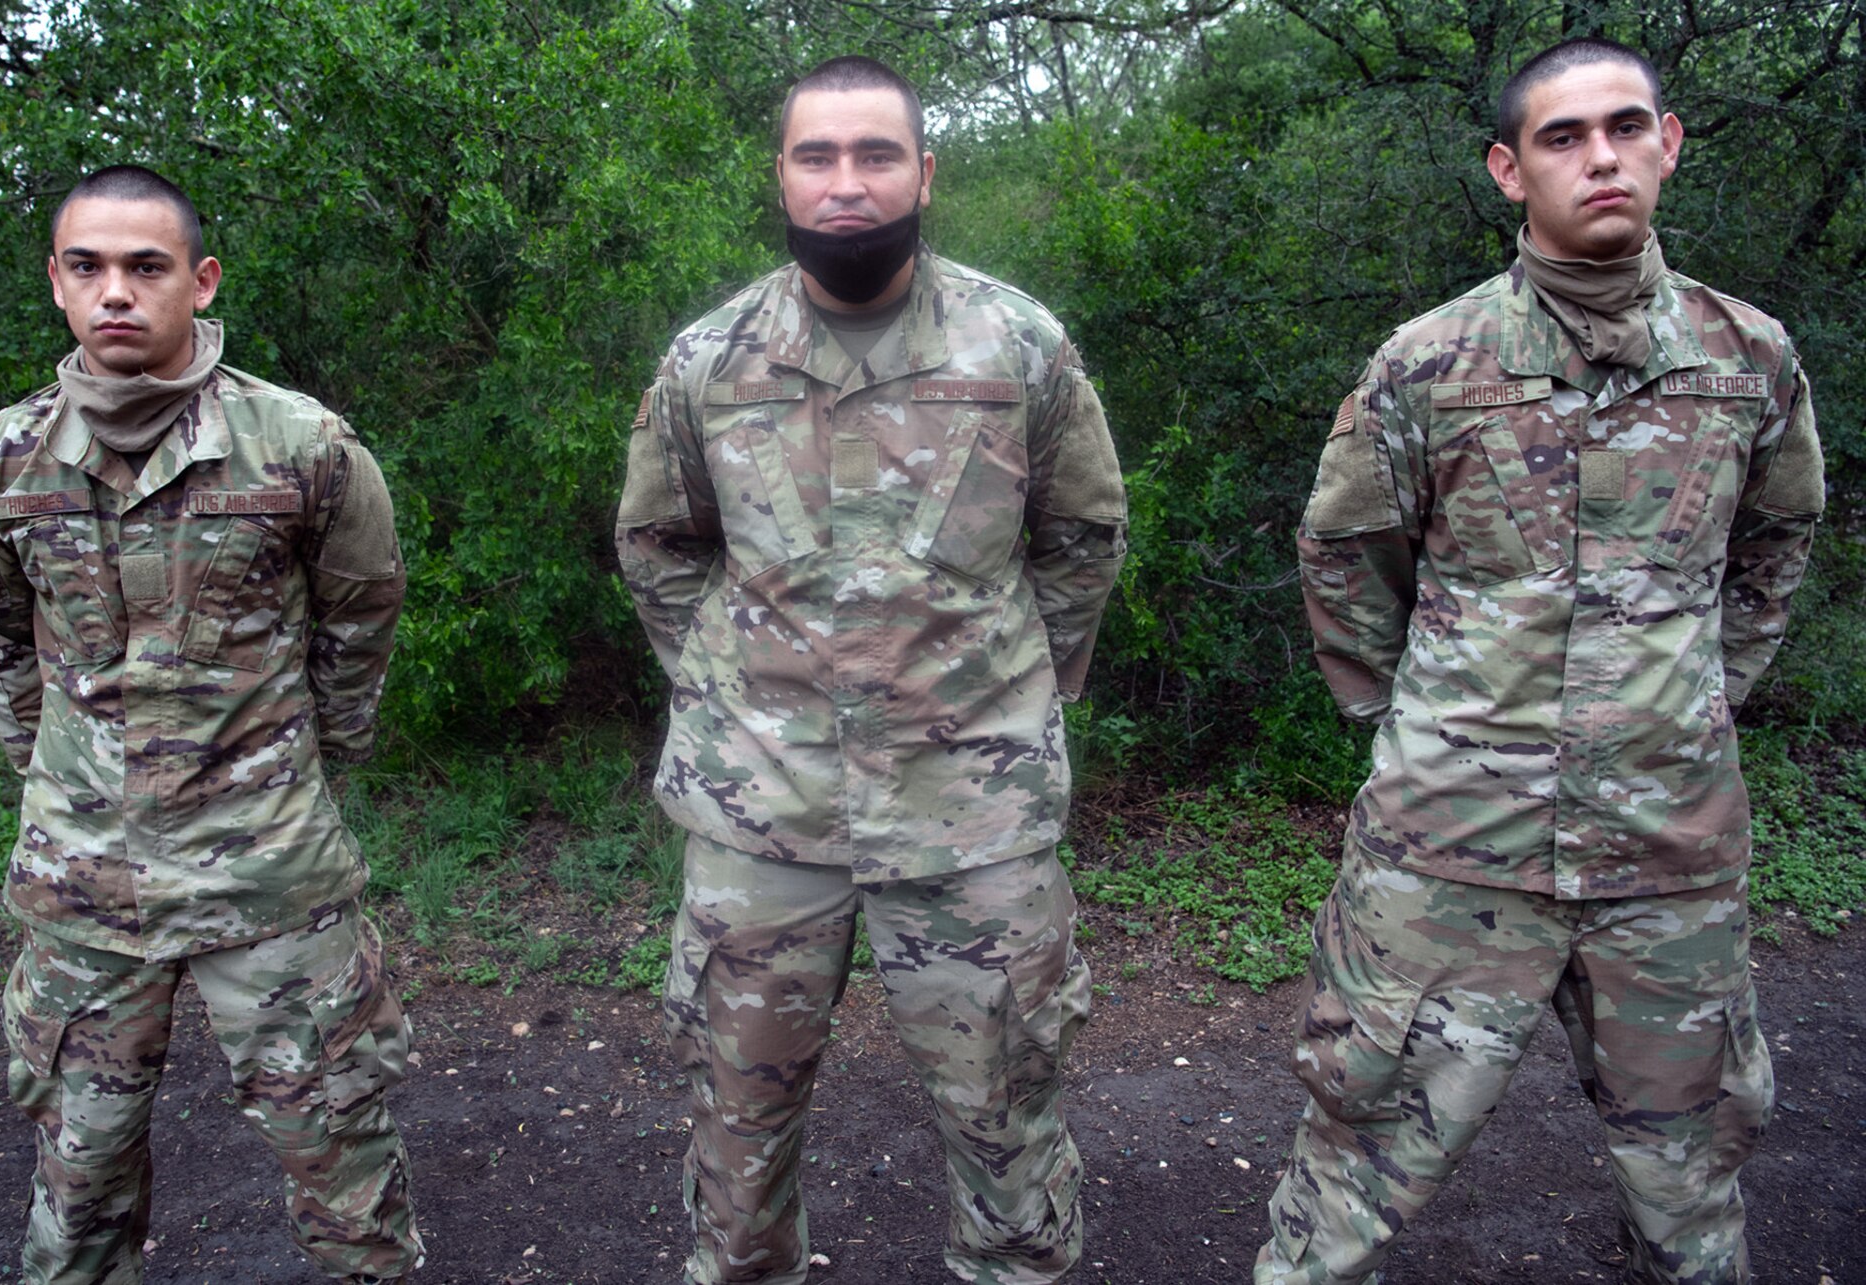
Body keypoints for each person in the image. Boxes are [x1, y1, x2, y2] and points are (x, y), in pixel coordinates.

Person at [1260, 37, 1824, 1285]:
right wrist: (1426, 722)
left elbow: (1777, 538)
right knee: (1355, 1160)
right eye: (1561, 139)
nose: (1600, 156)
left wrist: (1699, 697)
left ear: (1667, 143)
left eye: (1624, 127)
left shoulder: (1747, 358)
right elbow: (1344, 558)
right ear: (1507, 171)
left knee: (1692, 1173)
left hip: (1667, 849)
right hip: (1451, 848)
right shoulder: (1428, 362)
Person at [615, 55, 1128, 1285]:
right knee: (737, 1149)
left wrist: (1003, 698)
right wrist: (736, 694)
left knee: (1008, 1134)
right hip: (760, 825)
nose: (846, 184)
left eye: (875, 155)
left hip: (973, 826)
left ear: (923, 172)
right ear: (780, 175)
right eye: (816, 156)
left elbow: (1081, 539)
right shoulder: (711, 358)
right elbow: (659, 542)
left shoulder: (1018, 345)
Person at [0, 165, 420, 1284]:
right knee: (80, 1188)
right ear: (55, 282)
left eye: (146, 267)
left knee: (343, 1175)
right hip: (85, 890)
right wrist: (46, 764)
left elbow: (362, 609)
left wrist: (314, 753)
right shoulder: (1, 458)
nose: (117, 292)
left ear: (199, 282)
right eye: (89, 266)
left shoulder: (299, 445)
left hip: (271, 879)